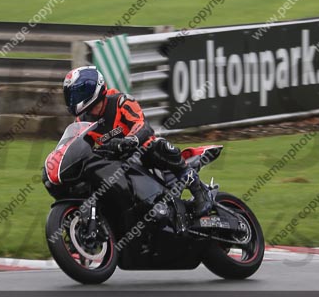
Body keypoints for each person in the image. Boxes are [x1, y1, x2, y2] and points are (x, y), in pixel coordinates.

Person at [62, 66, 212, 216]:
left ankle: (198, 188)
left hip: (141, 154)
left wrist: (130, 140)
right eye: (72, 95)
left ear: (92, 89)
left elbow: (142, 126)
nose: (73, 99)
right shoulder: (81, 120)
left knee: (156, 145)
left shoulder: (121, 101)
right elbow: (79, 146)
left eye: (78, 93)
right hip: (115, 163)